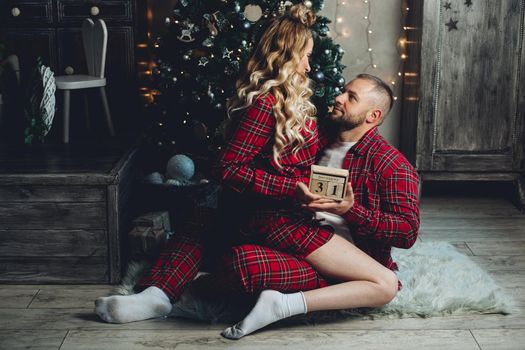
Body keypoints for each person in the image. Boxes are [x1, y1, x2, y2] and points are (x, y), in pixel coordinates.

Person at [218, 73, 420, 339]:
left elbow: (406, 232)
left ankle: (290, 303)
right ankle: (347, 291)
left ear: (372, 116)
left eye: (351, 97)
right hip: (297, 236)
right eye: (343, 91)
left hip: (349, 256)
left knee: (386, 285)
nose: (338, 98)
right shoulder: (315, 136)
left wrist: (351, 211)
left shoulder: (392, 165)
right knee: (240, 261)